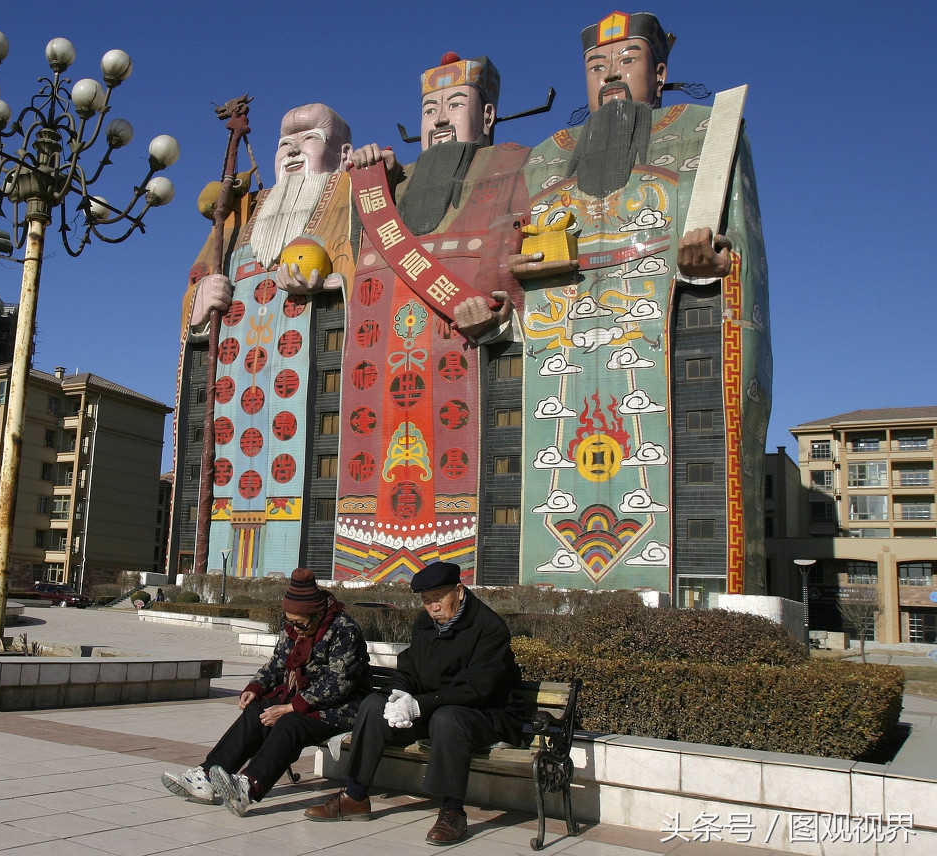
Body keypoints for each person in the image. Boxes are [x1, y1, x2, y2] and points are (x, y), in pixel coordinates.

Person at [515, 10, 769, 592]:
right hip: (565, 337)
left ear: (657, 74)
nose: (610, 74)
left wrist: (718, 261)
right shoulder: (547, 154)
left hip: (667, 327)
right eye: (596, 65)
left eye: (626, 60)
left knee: (677, 473)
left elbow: (740, 241)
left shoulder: (707, 127)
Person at [325, 55, 535, 585]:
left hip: (460, 357)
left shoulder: (514, 163)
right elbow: (330, 254)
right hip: (381, 352)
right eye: (429, 109)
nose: (440, 119)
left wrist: (495, 303)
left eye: (455, 105)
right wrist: (371, 178)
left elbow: (516, 241)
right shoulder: (388, 181)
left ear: (487, 116)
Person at [174, 104, 355, 576]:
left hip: (306, 383)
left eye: (309, 138)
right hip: (234, 391)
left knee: (302, 484)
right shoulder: (243, 215)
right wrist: (199, 303)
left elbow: (376, 269)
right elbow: (197, 285)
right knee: (222, 487)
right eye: (283, 142)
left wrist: (332, 283)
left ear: (342, 153)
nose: (293, 149)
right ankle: (215, 573)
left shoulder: (353, 194)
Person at [303, 560, 523, 844]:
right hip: (434, 707)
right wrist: (400, 696)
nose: (432, 607)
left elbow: (478, 688)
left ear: (458, 591)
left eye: (438, 598)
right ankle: (355, 796)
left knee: (448, 718)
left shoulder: (489, 627)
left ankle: (452, 811)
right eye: (426, 600)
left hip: (485, 714)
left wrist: (422, 705)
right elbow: (409, 670)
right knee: (373, 705)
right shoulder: (425, 625)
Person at [161, 567, 371, 816]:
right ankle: (206, 777)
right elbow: (277, 663)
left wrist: (292, 706)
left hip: (342, 707)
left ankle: (248, 787)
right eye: (290, 622)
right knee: (256, 711)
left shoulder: (344, 629)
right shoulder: (294, 628)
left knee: (290, 723)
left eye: (300, 624)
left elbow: (340, 683)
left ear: (317, 613)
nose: (295, 629)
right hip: (304, 700)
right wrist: (255, 687)